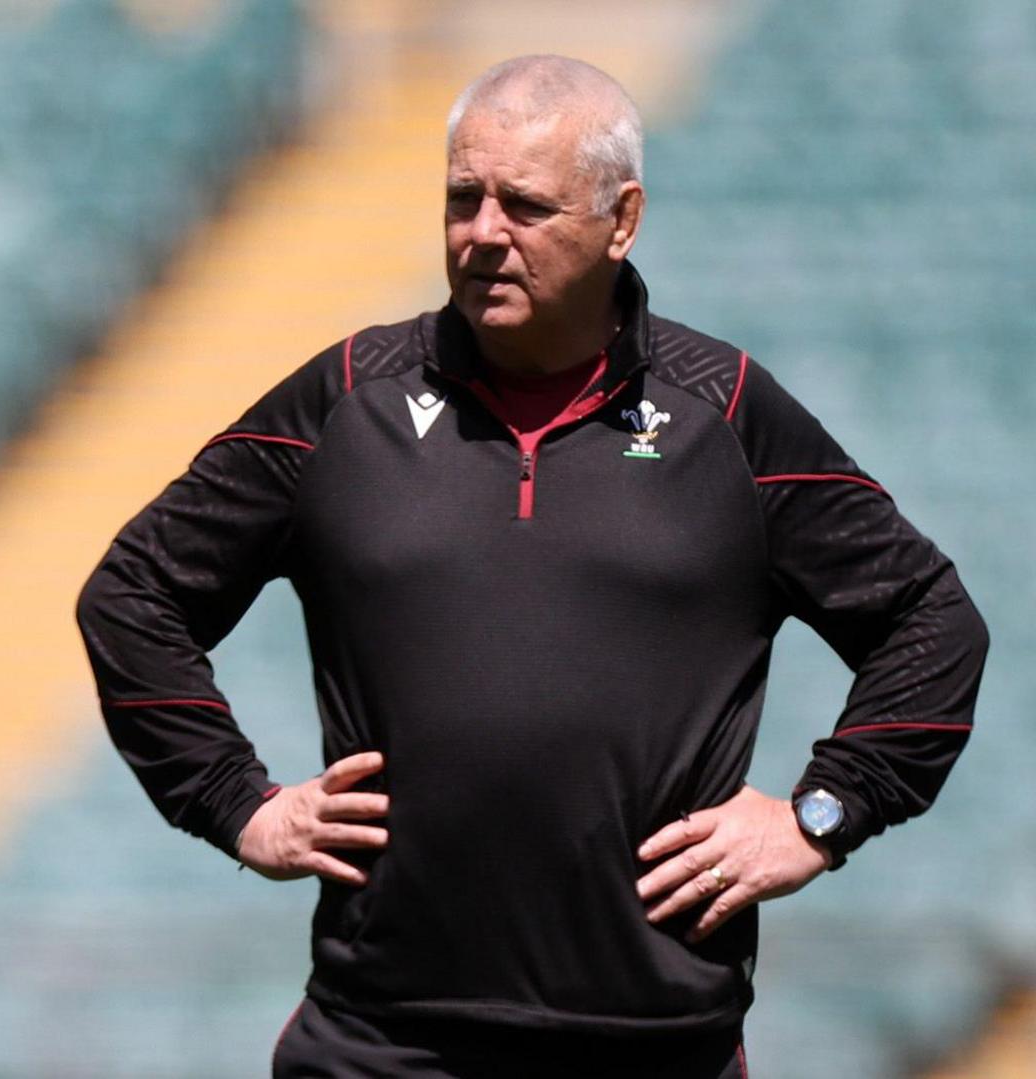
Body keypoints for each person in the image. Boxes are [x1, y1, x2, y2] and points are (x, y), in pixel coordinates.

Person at [75, 54, 987, 1078]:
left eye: (527, 204)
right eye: (464, 198)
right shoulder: (345, 398)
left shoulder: (725, 411)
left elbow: (930, 618)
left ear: (622, 219)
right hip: (380, 1045)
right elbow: (133, 594)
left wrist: (824, 811)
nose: (484, 233)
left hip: (657, 1052)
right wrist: (234, 798)